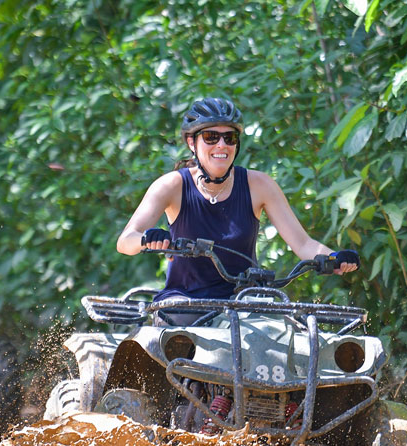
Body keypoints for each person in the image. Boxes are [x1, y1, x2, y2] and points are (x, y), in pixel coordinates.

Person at [117, 97, 359, 307]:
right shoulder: (172, 185)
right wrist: (148, 238)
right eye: (211, 137)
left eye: (229, 137)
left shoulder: (259, 185)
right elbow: (125, 241)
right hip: (184, 301)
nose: (221, 145)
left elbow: (304, 243)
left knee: (288, 338)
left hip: (245, 301)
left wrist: (333, 258)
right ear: (192, 143)